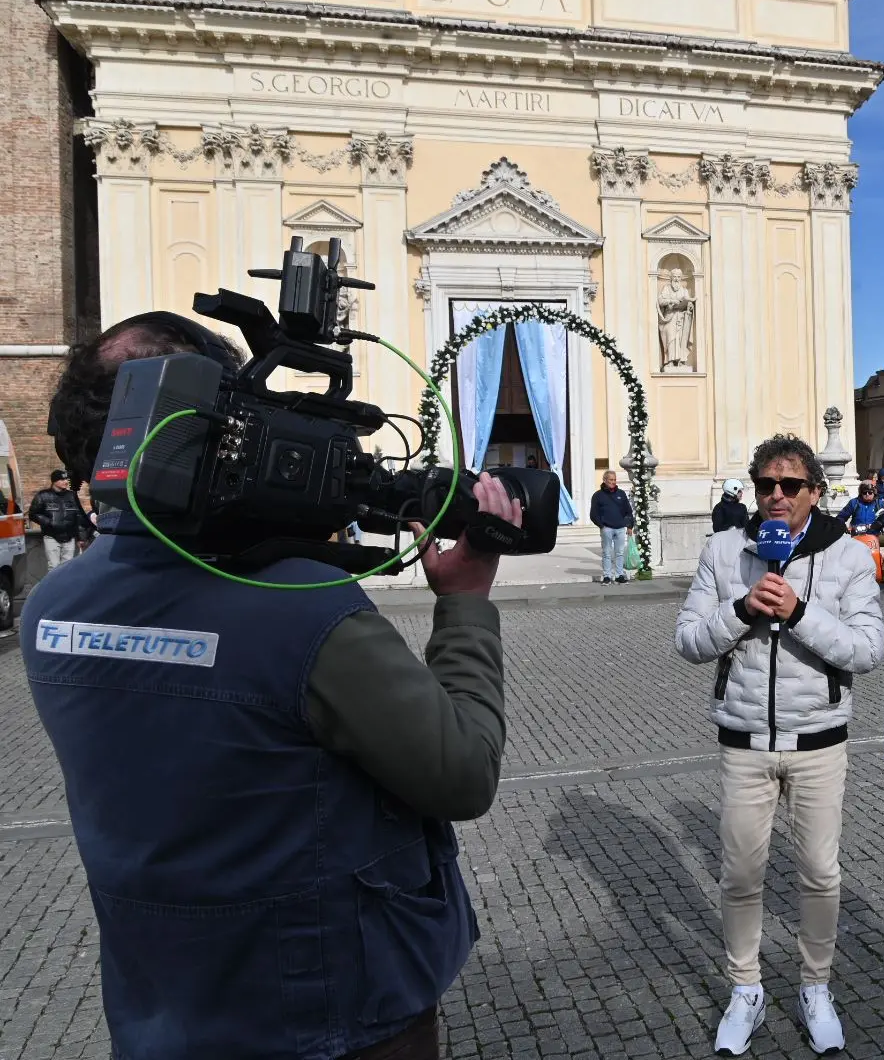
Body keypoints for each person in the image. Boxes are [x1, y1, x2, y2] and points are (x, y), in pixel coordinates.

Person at [24, 311, 519, 1060]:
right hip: (333, 1010)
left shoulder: (50, 609)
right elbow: (463, 773)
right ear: (217, 424)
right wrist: (465, 603)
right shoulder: (301, 608)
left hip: (161, 1009)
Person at [674, 434, 884, 1057]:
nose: (776, 496)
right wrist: (741, 609)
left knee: (819, 873)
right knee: (740, 873)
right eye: (766, 484)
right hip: (743, 741)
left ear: (814, 492)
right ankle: (746, 988)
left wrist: (797, 613)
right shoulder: (724, 548)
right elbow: (688, 640)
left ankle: (815, 987)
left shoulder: (847, 555)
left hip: (820, 740)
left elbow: (868, 650)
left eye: (791, 485)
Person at [27, 469, 91, 572]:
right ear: (54, 481)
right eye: (62, 479)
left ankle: (66, 588)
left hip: (69, 538)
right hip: (51, 537)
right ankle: (53, 588)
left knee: (68, 568)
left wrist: (81, 537)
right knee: (53, 567)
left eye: (66, 479)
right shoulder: (43, 495)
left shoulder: (72, 495)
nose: (66, 481)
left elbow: (78, 517)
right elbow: (33, 514)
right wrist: (49, 522)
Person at [589, 469, 636, 584]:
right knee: (606, 553)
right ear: (605, 480)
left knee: (619, 553)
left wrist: (630, 526)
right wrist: (602, 526)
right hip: (607, 529)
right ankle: (607, 576)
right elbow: (593, 514)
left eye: (614, 480)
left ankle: (619, 575)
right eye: (611, 479)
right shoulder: (598, 495)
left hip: (620, 528)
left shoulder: (621, 494)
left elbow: (628, 511)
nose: (613, 482)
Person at [844, 478, 884, 572]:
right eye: (864, 492)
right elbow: (842, 516)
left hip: (875, 534)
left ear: (874, 493)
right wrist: (841, 525)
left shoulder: (879, 503)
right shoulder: (854, 503)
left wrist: (878, 524)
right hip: (857, 536)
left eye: (870, 492)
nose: (867, 494)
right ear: (861, 493)